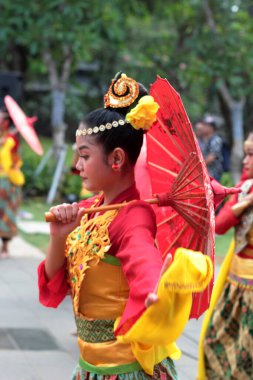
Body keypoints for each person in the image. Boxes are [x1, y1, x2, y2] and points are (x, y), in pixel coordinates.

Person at [38, 72, 213, 380]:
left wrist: (153, 292)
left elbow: (144, 262)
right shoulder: (92, 209)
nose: (77, 166)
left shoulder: (132, 217)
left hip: (124, 372)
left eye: (84, 156)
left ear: (116, 158)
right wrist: (58, 237)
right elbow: (56, 282)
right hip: (91, 368)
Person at [197, 132, 253, 380]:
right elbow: (219, 225)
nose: (245, 160)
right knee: (214, 343)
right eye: (246, 153)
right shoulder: (245, 189)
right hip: (235, 287)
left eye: (252, 155)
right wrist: (245, 202)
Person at [0, 106, 24, 257]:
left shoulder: (11, 139)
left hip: (8, 182)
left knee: (7, 213)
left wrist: (8, 142)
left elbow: (15, 159)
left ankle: (5, 247)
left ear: (6, 123)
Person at [197, 117, 224, 182]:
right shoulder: (205, 139)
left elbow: (212, 157)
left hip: (214, 172)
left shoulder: (216, 140)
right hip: (207, 171)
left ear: (212, 128)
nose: (204, 127)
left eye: (206, 125)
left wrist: (199, 166)